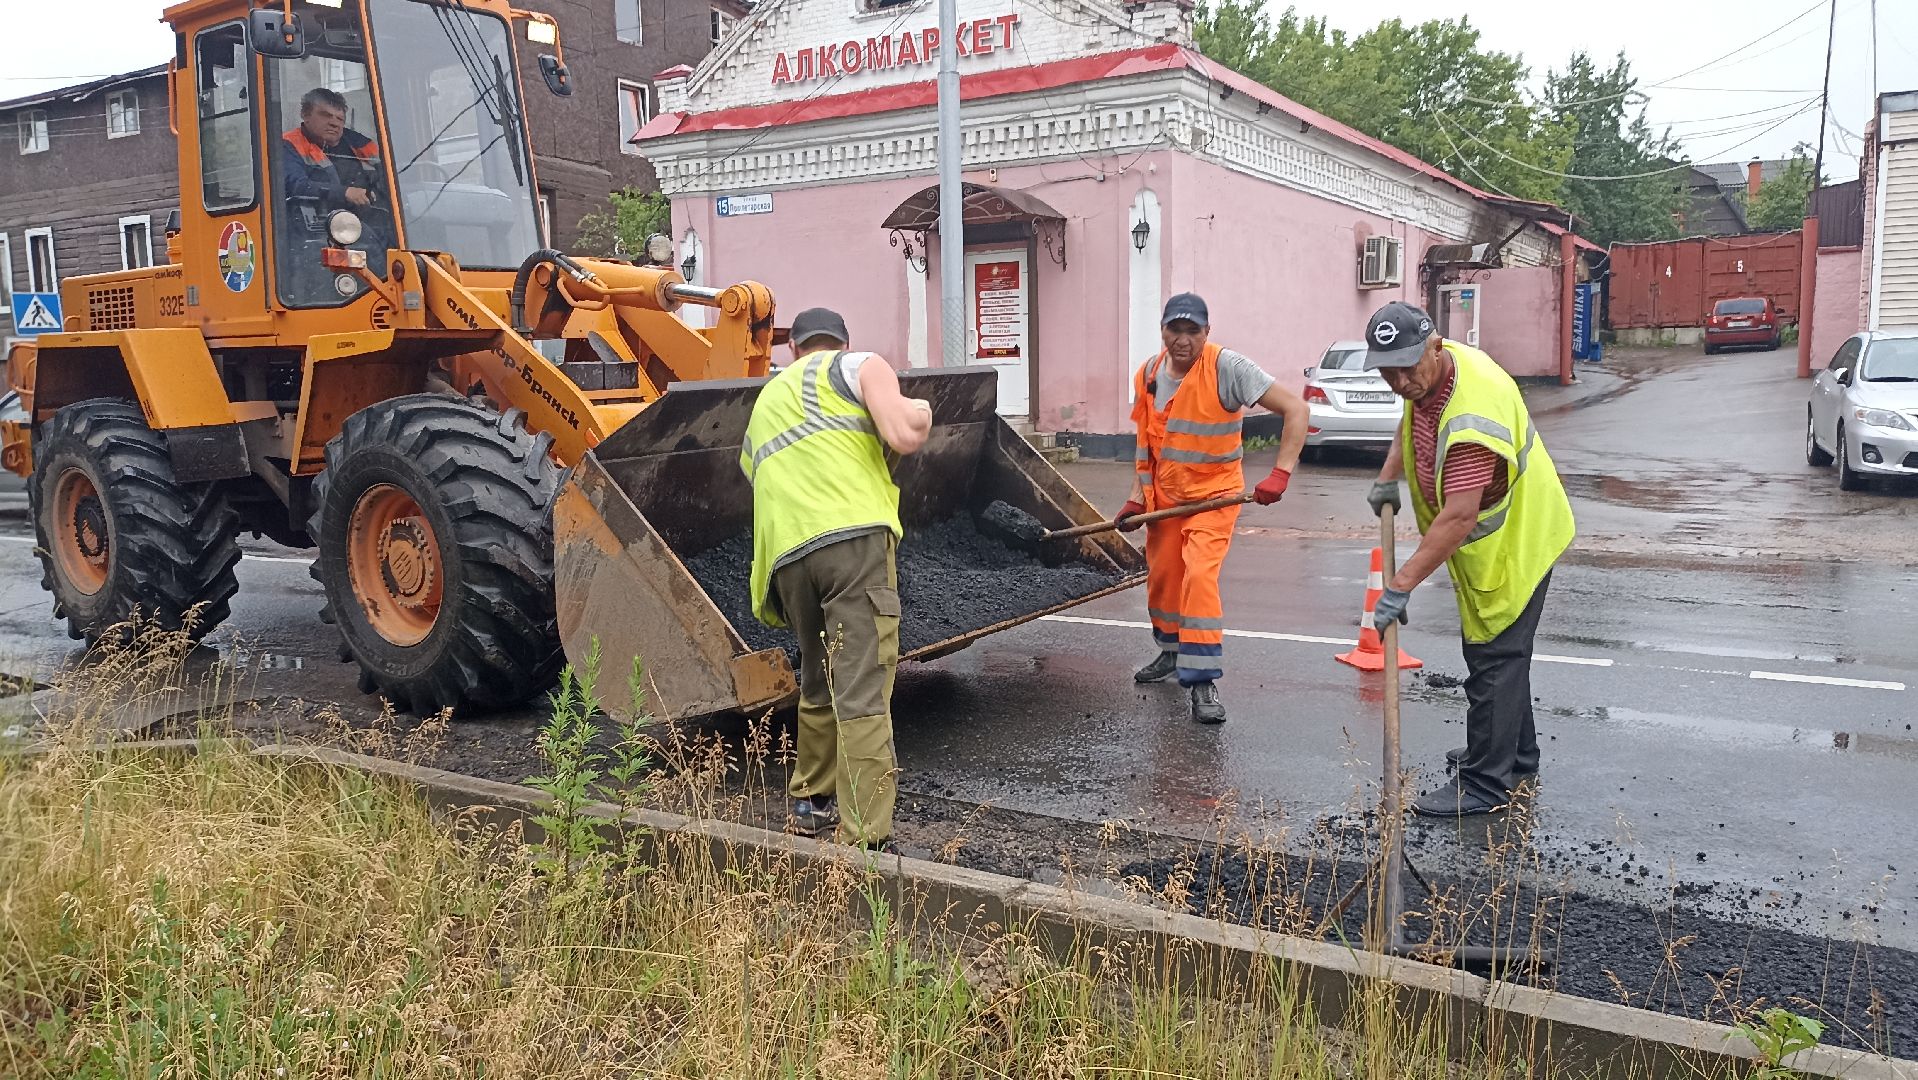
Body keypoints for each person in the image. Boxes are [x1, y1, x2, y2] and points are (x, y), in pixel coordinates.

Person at [1360, 301, 1576, 818]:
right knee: (1504, 656)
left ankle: (1485, 783)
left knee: (1493, 661)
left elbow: (1458, 518)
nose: (1401, 381)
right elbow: (1411, 418)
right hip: (1497, 540)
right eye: (1388, 371)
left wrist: (1400, 584)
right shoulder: (1436, 371)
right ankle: (1513, 755)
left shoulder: (1472, 419)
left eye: (1409, 367)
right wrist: (1390, 473)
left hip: (1514, 544)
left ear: (1435, 346)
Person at [740, 307, 933, 850]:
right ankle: (866, 837)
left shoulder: (765, 401)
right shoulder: (858, 366)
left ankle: (811, 800)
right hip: (853, 545)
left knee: (820, 679)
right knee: (864, 686)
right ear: (842, 341)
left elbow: (755, 476)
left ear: (795, 349)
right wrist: (921, 411)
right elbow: (904, 435)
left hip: (788, 557)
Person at [1122, 293, 1310, 725]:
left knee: (1199, 578)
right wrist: (1137, 495)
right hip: (1166, 500)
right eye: (1176, 330)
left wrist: (1280, 474)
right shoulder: (1148, 373)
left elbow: (1296, 409)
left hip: (1214, 497)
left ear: (1207, 333)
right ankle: (1170, 654)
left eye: (1193, 331)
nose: (1183, 340)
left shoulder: (1228, 368)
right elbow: (1146, 443)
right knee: (1165, 582)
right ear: (1163, 330)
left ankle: (1202, 680)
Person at [280, 88, 383, 213]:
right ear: (305, 115)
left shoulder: (359, 143)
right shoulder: (288, 145)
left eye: (340, 119)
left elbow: (389, 171)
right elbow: (296, 185)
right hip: (318, 224)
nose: (335, 123)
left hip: (374, 218)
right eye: (326, 115)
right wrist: (344, 192)